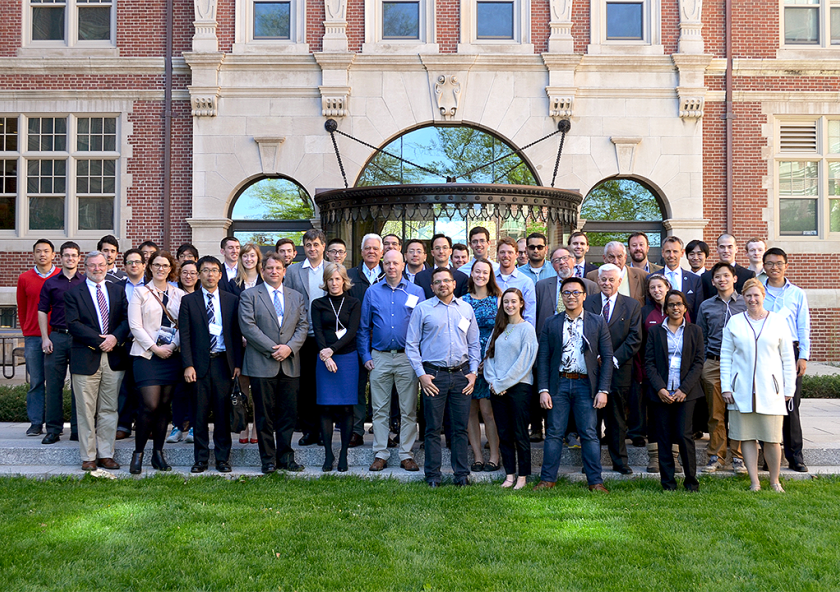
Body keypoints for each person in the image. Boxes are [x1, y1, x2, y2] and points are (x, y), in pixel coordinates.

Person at [534, 276, 613, 492]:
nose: (571, 296)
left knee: (589, 433)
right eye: (567, 293)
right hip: (558, 384)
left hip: (586, 385)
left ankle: (595, 481)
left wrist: (603, 390)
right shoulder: (551, 322)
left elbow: (607, 357)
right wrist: (543, 389)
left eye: (576, 292)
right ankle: (547, 479)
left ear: (584, 296)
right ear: (562, 296)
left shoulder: (597, 322)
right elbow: (543, 358)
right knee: (554, 433)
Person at [406, 267, 480, 487]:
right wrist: (422, 376)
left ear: (453, 284)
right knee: (432, 429)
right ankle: (433, 476)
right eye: (437, 282)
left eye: (446, 281)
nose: (442, 285)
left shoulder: (466, 309)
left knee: (459, 428)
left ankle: (461, 475)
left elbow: (474, 343)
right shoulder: (422, 309)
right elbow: (411, 345)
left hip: (461, 376)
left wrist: (473, 373)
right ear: (432, 286)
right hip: (433, 376)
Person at [720, 278, 796, 492]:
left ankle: (774, 481)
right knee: (747, 437)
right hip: (741, 390)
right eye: (748, 295)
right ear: (743, 297)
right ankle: (755, 482)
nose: (752, 299)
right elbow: (726, 356)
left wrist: (788, 389)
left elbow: (787, 358)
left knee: (772, 439)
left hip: (770, 390)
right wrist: (727, 386)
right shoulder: (734, 322)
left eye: (756, 295)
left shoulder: (778, 322)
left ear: (763, 296)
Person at [239, 253, 309, 473]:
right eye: (269, 268)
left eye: (278, 268)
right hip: (262, 364)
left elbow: (303, 326)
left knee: (288, 415)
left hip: (290, 364)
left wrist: (289, 348)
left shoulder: (296, 297)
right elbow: (248, 327)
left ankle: (286, 458)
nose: (274, 271)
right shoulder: (249, 295)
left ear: (284, 271)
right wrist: (274, 349)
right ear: (262, 271)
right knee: (264, 415)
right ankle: (268, 460)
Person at [358, 250, 424, 471]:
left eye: (395, 263)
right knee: (380, 409)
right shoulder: (372, 292)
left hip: (408, 358)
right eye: (387, 263)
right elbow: (364, 327)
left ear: (403, 264)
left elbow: (425, 327)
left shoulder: (417, 291)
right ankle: (381, 453)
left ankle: (406, 454)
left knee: (408, 409)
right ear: (382, 265)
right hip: (380, 358)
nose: (391, 267)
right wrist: (366, 356)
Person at [64, 250, 130, 471]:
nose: (97, 269)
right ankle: (88, 456)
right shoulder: (74, 293)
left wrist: (114, 338)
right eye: (92, 265)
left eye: (101, 265)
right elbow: (73, 324)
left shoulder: (118, 291)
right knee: (85, 410)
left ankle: (105, 454)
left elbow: (125, 320)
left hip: (113, 358)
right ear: (85, 268)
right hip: (85, 358)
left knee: (109, 409)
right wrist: (99, 341)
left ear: (107, 265)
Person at [179, 256, 243, 473]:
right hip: (198, 366)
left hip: (224, 363)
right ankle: (201, 459)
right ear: (198, 274)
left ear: (220, 274)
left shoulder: (231, 300)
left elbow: (235, 334)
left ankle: (223, 459)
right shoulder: (189, 301)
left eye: (214, 270)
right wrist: (188, 365)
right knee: (199, 414)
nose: (210, 274)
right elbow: (185, 336)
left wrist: (237, 363)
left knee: (223, 414)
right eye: (205, 270)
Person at [531, 246, 597, 444]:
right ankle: (544, 429)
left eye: (566, 258)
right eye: (557, 260)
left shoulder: (589, 285)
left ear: (573, 260)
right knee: (550, 391)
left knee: (576, 392)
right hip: (550, 345)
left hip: (578, 350)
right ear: (552, 265)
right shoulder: (542, 285)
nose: (562, 263)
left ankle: (573, 432)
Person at [127, 251, 185, 474]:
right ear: (150, 267)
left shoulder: (178, 294)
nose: (161, 269)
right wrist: (155, 348)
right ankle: (138, 453)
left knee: (163, 407)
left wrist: (171, 347)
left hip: (171, 356)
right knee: (149, 405)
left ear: (171, 269)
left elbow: (182, 325)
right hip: (146, 356)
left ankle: (157, 454)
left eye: (166, 265)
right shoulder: (140, 292)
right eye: (157, 265)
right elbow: (135, 326)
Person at [583, 263, 642, 475]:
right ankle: (590, 464)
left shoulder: (632, 305)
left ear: (619, 281)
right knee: (591, 420)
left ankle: (620, 462)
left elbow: (635, 338)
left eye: (611, 280)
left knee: (617, 419)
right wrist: (594, 357)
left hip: (619, 370)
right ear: (598, 281)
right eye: (603, 279)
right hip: (591, 370)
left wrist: (611, 358)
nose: (607, 283)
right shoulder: (587, 302)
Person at [644, 290, 706, 491]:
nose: (675, 308)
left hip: (685, 394)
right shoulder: (655, 332)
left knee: (683, 435)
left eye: (679, 304)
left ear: (685, 307)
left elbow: (698, 363)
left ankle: (691, 481)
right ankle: (668, 482)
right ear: (666, 308)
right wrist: (660, 388)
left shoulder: (695, 331)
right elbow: (649, 363)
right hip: (661, 393)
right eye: (671, 304)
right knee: (663, 437)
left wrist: (683, 389)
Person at [484, 288, 538, 489]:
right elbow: (489, 357)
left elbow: (525, 362)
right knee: (504, 433)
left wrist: (503, 383)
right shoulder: (499, 328)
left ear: (521, 303)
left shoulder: (527, 329)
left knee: (519, 433)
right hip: (497, 389)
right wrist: (494, 382)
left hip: (518, 388)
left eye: (514, 302)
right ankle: (509, 474)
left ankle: (523, 476)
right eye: (506, 302)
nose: (510, 305)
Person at [762, 247, 810, 472]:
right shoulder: (757, 291)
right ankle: (767, 454)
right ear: (764, 267)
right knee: (765, 403)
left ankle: (795, 455)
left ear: (786, 266)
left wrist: (803, 356)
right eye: (770, 263)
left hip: (790, 351)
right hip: (764, 352)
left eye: (779, 263)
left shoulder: (797, 294)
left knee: (791, 404)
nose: (774, 267)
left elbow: (804, 327)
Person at [697, 262, 747, 474]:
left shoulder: (746, 304)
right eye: (718, 276)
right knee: (716, 413)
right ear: (713, 281)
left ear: (734, 279)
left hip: (740, 365)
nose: (722, 279)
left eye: (726, 275)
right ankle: (716, 456)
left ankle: (738, 457)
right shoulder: (706, 306)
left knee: (737, 412)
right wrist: (706, 361)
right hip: (713, 363)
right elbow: (701, 336)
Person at [311, 263, 361, 472]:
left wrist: (332, 350)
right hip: (324, 360)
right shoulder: (318, 304)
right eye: (330, 279)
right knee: (326, 407)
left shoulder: (354, 302)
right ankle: (328, 454)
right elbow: (318, 331)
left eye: (338, 279)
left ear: (344, 281)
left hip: (348, 358)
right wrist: (326, 354)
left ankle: (343, 455)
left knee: (347, 407)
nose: (334, 283)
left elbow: (352, 331)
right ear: (326, 281)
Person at [284, 229, 328, 446]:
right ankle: (309, 430)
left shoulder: (333, 268)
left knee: (325, 384)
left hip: (327, 338)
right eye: (308, 245)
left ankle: (324, 430)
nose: (312, 249)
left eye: (316, 244)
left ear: (323, 247)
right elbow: (289, 303)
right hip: (303, 337)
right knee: (306, 386)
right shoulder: (293, 271)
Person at [38, 241, 83, 444]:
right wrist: (45, 337)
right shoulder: (51, 283)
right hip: (56, 337)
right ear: (60, 258)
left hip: (79, 339)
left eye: (73, 255)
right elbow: (41, 311)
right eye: (66, 255)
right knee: (53, 385)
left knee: (79, 385)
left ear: (79, 258)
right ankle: (54, 430)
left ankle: (77, 429)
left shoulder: (85, 283)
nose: (70, 258)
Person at [345, 233, 385, 446]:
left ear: (381, 252)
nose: (371, 251)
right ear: (361, 252)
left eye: (375, 248)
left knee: (383, 389)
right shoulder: (349, 276)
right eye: (367, 248)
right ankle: (357, 430)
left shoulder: (388, 275)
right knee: (358, 387)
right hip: (355, 340)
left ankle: (383, 431)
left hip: (381, 342)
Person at [463, 259, 502, 473]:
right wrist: (471, 362)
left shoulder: (498, 299)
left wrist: (487, 358)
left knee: (488, 412)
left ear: (490, 275)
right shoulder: (462, 301)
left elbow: (503, 330)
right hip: (469, 362)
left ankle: (495, 456)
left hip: (491, 360)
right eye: (477, 271)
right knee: (471, 411)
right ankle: (478, 457)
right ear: (472, 273)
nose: (480, 275)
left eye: (485, 272)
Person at [17, 239, 59, 436]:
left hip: (58, 335)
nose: (42, 254)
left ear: (53, 255)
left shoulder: (62, 276)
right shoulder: (25, 278)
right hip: (33, 337)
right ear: (33, 254)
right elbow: (22, 307)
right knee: (35, 381)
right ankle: (35, 422)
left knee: (55, 382)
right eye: (38, 251)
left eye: (46, 251)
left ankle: (54, 424)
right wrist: (27, 331)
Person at [634, 274, 673, 471]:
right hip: (652, 376)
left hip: (676, 376)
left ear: (667, 287)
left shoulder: (679, 308)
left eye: (660, 286)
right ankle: (655, 458)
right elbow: (640, 346)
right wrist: (643, 374)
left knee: (676, 418)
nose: (656, 290)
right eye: (652, 288)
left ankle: (674, 457)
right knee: (654, 418)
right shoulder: (645, 312)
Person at [227, 244, 264, 444]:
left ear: (258, 259)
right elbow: (230, 314)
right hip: (239, 343)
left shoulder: (265, 281)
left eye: (252, 256)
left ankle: (257, 427)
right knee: (242, 387)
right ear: (240, 259)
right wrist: (241, 334)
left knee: (258, 388)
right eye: (245, 256)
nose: (249, 259)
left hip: (260, 343)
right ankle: (243, 426)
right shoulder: (232, 283)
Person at [116, 248, 146, 440]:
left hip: (146, 344)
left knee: (144, 386)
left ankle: (144, 424)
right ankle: (124, 425)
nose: (133, 265)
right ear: (124, 266)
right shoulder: (116, 288)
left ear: (144, 265)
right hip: (124, 343)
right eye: (129, 262)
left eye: (137, 262)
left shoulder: (152, 286)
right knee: (124, 386)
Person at [168, 259, 199, 444]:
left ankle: (194, 425)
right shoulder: (173, 295)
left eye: (193, 273)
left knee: (196, 390)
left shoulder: (203, 295)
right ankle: (177, 426)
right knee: (178, 391)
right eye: (185, 272)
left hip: (198, 351)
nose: (189, 276)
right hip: (176, 349)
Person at [650, 236, 703, 323]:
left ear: (682, 253)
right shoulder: (652, 278)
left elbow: (697, 311)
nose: (671, 255)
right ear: (663, 253)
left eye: (675, 251)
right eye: (668, 251)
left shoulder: (695, 280)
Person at [586, 241, 647, 306]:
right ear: (604, 258)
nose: (616, 261)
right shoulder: (592, 276)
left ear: (625, 257)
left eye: (619, 257)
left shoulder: (641, 275)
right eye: (611, 257)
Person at [493, 237, 536, 326]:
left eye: (510, 252)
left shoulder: (526, 282)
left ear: (516, 254)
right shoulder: (490, 279)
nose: (506, 255)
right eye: (502, 252)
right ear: (497, 254)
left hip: (517, 332)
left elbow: (529, 314)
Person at [700, 234, 755, 300]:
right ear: (717, 250)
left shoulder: (748, 275)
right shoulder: (706, 277)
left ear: (736, 249)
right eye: (722, 247)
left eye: (730, 247)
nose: (726, 250)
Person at [414, 234, 469, 300]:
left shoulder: (462, 278)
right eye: (437, 248)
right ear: (432, 252)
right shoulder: (420, 277)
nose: (441, 251)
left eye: (445, 248)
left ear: (450, 251)